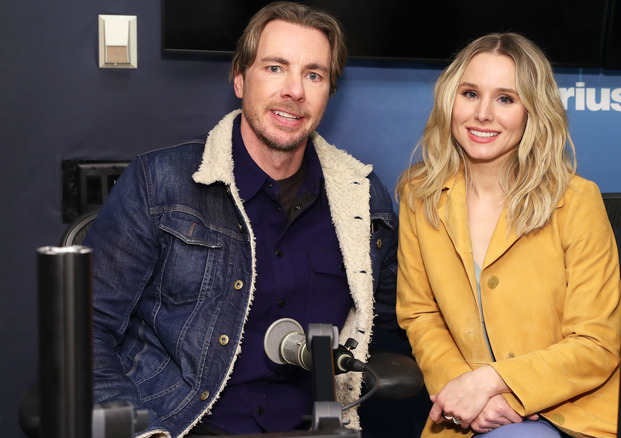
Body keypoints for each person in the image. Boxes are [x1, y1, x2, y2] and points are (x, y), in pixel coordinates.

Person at [85, 2, 399, 437]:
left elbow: (389, 327)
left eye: (314, 74)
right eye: (275, 68)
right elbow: (87, 331)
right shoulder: (159, 183)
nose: (295, 90)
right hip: (180, 426)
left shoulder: (364, 200)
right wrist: (142, 431)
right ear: (239, 79)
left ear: (329, 92)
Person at [395, 32, 621, 438]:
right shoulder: (419, 194)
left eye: (505, 99)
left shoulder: (576, 201)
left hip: (567, 416)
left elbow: (596, 345)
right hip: (462, 416)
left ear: (532, 112)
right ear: (450, 100)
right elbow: (420, 315)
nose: (483, 113)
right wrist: (464, 394)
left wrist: (490, 383)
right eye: (469, 93)